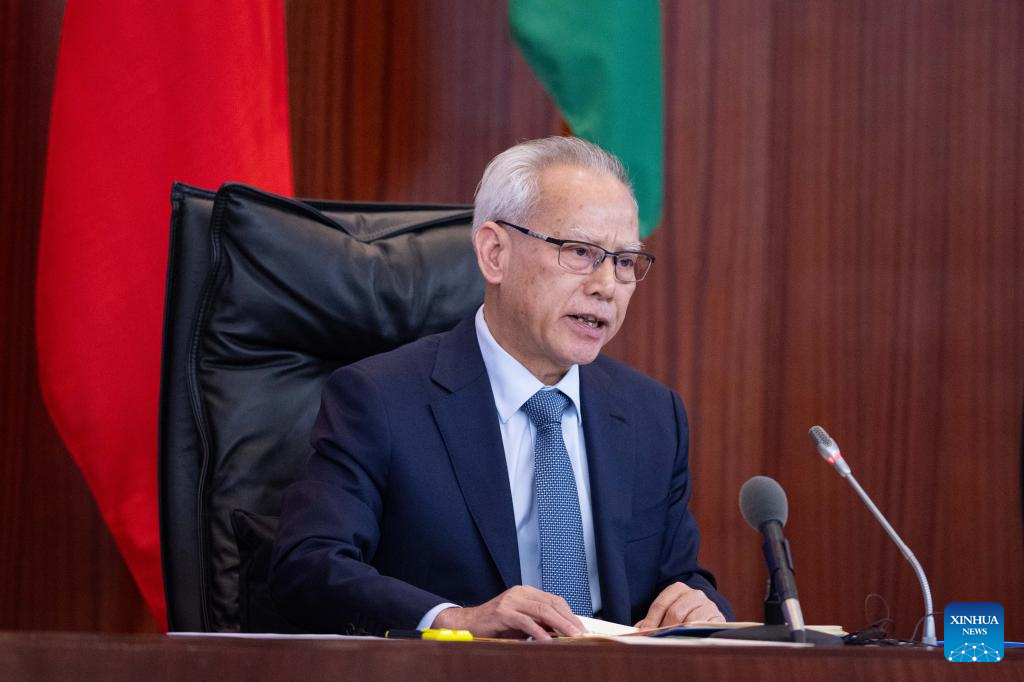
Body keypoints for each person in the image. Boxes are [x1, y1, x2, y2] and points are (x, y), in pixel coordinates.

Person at [270, 136, 731, 638]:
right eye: (581, 252)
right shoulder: (379, 399)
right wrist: (454, 621)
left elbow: (677, 578)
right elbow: (309, 566)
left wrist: (697, 604)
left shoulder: (652, 415)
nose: (607, 286)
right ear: (495, 254)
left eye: (623, 261)